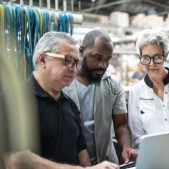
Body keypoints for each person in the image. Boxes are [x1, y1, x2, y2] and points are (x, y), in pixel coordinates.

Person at [4, 32, 118, 169]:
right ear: (43, 60)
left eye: (77, 63)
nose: (74, 70)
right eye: (68, 60)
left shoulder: (69, 105)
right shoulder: (14, 102)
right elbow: (16, 160)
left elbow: (81, 151)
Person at [63, 30, 137, 165]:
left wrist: (127, 146)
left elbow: (121, 124)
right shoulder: (63, 83)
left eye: (108, 59)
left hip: (107, 162)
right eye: (98, 57)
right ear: (81, 51)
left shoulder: (113, 84)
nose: (103, 65)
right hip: (71, 164)